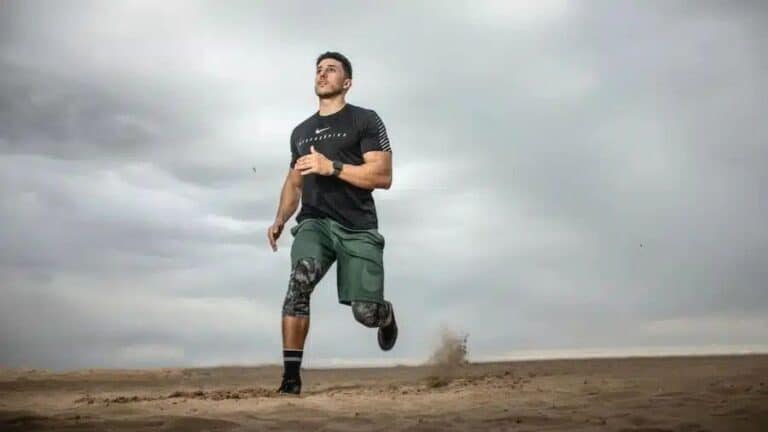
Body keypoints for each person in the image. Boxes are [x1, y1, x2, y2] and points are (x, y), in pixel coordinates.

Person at [267, 52, 398, 395]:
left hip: (357, 227)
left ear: (347, 82)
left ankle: (385, 314)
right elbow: (294, 182)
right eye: (319, 70)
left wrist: (333, 168)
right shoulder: (301, 131)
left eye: (332, 70)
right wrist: (281, 218)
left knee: (364, 312)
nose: (323, 74)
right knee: (300, 280)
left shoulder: (365, 120)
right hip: (315, 223)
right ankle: (291, 379)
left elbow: (382, 176)